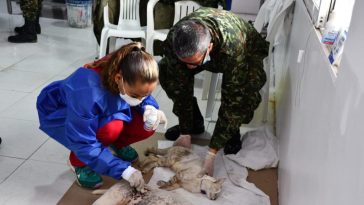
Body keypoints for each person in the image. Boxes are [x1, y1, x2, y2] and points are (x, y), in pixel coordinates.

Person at [36, 42, 167, 190]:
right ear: (118, 79)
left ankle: (117, 144)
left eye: (146, 94)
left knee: (146, 125)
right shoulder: (87, 93)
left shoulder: (129, 65)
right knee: (110, 129)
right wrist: (124, 170)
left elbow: (139, 92)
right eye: (136, 95)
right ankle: (78, 162)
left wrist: (149, 107)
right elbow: (83, 141)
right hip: (61, 113)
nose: (139, 100)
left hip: (108, 101)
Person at [159, 8, 269, 176]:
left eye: (194, 63)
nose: (190, 68)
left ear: (209, 47)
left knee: (243, 94)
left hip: (246, 50)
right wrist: (185, 131)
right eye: (186, 63)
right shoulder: (175, 39)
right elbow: (179, 83)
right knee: (168, 72)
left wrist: (211, 153)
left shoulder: (234, 47)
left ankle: (231, 132)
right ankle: (193, 124)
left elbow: (233, 100)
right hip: (209, 47)